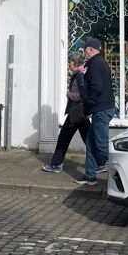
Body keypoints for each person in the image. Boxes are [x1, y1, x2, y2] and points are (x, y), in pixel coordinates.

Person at [41, 51, 90, 173]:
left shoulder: (79, 75)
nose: (68, 65)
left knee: (63, 138)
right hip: (79, 112)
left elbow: (82, 95)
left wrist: (68, 94)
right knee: (89, 139)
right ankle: (101, 161)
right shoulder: (81, 73)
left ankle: (56, 164)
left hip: (76, 112)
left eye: (69, 62)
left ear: (74, 62)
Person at [75, 37, 114, 185]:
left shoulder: (96, 65)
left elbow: (96, 88)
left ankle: (124, 169)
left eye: (85, 49)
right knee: (91, 143)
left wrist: (81, 79)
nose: (84, 52)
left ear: (90, 49)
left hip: (101, 110)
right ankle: (90, 176)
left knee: (101, 145)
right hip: (103, 108)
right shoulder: (99, 63)